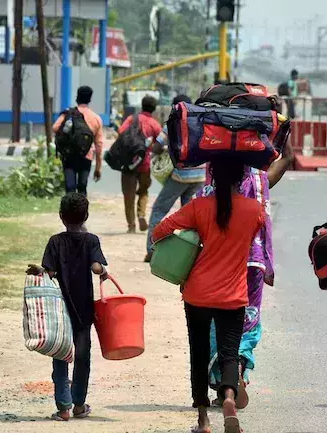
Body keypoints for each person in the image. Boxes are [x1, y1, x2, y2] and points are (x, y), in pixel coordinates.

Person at [152, 159, 266, 433]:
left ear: (212, 177)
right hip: (233, 296)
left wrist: (192, 239)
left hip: (198, 294)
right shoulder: (255, 210)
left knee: (199, 354)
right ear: (242, 178)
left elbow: (160, 230)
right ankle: (229, 397)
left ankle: (203, 420)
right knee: (229, 353)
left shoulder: (198, 207)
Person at [201, 125, 295, 409]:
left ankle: (223, 383)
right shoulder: (260, 179)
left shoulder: (214, 178)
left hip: (220, 262)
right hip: (254, 260)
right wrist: (283, 128)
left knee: (218, 320)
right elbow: (288, 158)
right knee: (248, 318)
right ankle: (239, 366)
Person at [26, 192, 108, 421]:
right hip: (83, 309)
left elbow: (50, 272)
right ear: (86, 216)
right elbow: (96, 267)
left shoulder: (55, 241)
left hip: (59, 309)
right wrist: (103, 271)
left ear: (61, 216)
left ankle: (63, 407)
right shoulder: (91, 240)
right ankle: (79, 405)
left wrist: (39, 270)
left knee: (61, 354)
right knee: (82, 357)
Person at [144, 94, 207, 262]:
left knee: (159, 209)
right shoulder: (200, 122)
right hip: (200, 174)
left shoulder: (173, 123)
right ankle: (188, 255)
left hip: (181, 175)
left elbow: (157, 148)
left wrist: (167, 149)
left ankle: (151, 249)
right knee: (190, 216)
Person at [119, 95, 162, 233]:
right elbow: (161, 142)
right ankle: (141, 215)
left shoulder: (132, 119)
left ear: (142, 106)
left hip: (129, 162)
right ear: (153, 109)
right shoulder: (154, 124)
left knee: (128, 195)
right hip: (145, 163)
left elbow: (120, 132)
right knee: (143, 191)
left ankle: (131, 226)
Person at [52, 86, 105, 196]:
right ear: (89, 99)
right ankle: (81, 205)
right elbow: (99, 145)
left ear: (77, 97)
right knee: (82, 187)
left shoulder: (68, 114)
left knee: (70, 188)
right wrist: (98, 168)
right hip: (86, 156)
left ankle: (69, 205)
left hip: (69, 155)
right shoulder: (96, 118)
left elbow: (55, 128)